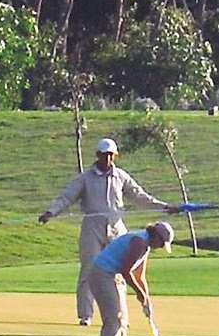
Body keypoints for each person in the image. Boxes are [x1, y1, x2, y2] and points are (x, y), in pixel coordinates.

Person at [38, 138, 179, 325]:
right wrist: (51, 212)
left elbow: (140, 196)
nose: (108, 158)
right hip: (92, 226)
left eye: (111, 155)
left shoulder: (121, 176)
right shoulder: (85, 178)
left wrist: (164, 207)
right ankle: (86, 315)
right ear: (98, 155)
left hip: (116, 226)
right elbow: (67, 196)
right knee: (90, 269)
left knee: (121, 270)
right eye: (104, 155)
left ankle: (120, 314)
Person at [84, 220, 172, 336]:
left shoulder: (145, 246)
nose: (160, 247)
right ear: (156, 236)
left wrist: (146, 299)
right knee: (113, 320)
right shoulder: (139, 242)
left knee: (123, 321)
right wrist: (139, 294)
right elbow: (126, 271)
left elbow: (140, 275)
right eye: (161, 243)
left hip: (114, 275)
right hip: (102, 274)